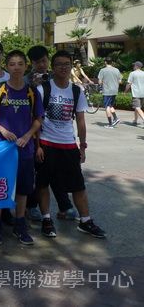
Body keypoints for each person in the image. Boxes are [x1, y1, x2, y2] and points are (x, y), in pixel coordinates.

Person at [36, 50, 106, 239]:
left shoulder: (76, 91)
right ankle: (46, 219)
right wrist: (37, 146)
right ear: (53, 67)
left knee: (78, 185)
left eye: (67, 64)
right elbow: (36, 119)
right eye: (59, 64)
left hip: (68, 144)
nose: (64, 67)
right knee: (43, 184)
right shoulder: (43, 89)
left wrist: (82, 146)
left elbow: (81, 121)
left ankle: (85, 221)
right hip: (46, 143)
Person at [0, 50, 43, 246]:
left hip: (25, 148)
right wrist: (3, 130)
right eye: (12, 64)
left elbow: (38, 119)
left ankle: (20, 225)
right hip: (1, 148)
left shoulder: (32, 92)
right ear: (7, 67)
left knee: (23, 189)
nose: (16, 67)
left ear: (26, 66)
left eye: (20, 64)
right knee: (0, 186)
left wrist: (27, 136)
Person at [24, 45, 78, 223]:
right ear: (31, 63)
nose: (41, 65)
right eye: (37, 62)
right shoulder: (25, 79)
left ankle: (64, 205)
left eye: (44, 61)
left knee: (54, 171)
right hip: (32, 132)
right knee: (39, 174)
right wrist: (32, 85)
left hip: (55, 135)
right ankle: (32, 206)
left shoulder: (55, 76)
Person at [97, 57, 122, 128]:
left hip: (107, 91)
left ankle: (110, 124)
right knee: (110, 105)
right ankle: (116, 118)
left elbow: (99, 82)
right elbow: (120, 81)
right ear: (112, 62)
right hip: (114, 90)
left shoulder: (102, 70)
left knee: (107, 106)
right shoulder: (117, 70)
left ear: (105, 62)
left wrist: (102, 84)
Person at [124, 61, 144, 127]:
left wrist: (125, 91)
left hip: (136, 94)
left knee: (137, 107)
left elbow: (129, 84)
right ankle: (135, 120)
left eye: (134, 65)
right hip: (143, 93)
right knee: (137, 107)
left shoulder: (132, 73)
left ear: (137, 66)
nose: (133, 67)